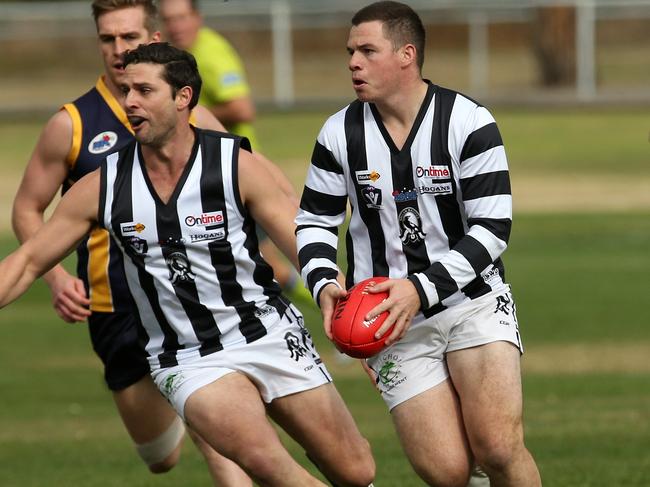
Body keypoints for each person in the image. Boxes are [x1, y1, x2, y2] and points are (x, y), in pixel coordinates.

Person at [1, 41, 376, 487]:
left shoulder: (234, 164)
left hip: (271, 334)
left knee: (357, 471)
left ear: (183, 98)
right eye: (125, 91)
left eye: (144, 90)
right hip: (187, 358)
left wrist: (333, 290)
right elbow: (24, 263)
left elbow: (301, 242)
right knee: (265, 461)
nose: (129, 103)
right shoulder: (102, 186)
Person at [295, 2, 542, 486]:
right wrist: (324, 282)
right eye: (350, 51)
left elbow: (491, 230)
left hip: (473, 304)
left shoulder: (468, 121)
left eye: (368, 50)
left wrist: (420, 289)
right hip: (387, 322)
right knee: (446, 471)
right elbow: (315, 221)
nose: (353, 62)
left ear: (407, 55)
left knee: (497, 445)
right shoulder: (338, 132)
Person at [10, 1, 253, 484]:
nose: (119, 50)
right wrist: (56, 277)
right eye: (108, 39)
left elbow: (240, 197)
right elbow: (25, 208)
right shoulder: (73, 124)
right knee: (160, 457)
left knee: (223, 439)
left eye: (130, 37)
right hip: (114, 308)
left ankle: (197, 399)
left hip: (190, 299)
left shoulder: (196, 118)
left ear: (156, 35)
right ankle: (181, 400)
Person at [159, 0, 314, 310]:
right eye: (168, 19)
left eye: (181, 17)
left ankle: (341, 311)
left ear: (197, 18)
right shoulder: (174, 57)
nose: (175, 26)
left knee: (266, 263)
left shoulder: (212, 53)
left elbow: (242, 108)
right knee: (260, 264)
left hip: (234, 172)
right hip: (204, 174)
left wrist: (179, 112)